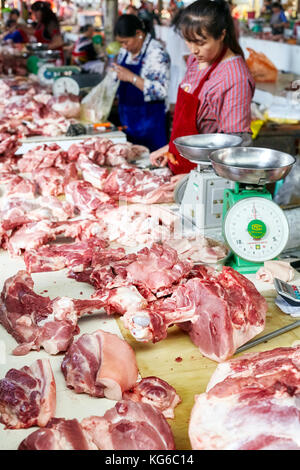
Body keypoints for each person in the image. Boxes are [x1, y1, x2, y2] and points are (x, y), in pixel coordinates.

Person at [150, 0, 255, 175]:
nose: (193, 50)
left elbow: (237, 148)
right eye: (188, 41)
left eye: (200, 42)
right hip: (181, 163)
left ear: (222, 35)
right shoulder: (196, 60)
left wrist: (195, 179)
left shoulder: (234, 78)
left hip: (205, 177)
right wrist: (172, 148)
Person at [113, 14, 170, 152]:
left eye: (125, 42)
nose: (123, 46)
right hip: (128, 121)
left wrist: (131, 77)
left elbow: (161, 91)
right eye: (120, 43)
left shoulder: (156, 52)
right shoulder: (125, 52)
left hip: (151, 124)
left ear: (139, 34)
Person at [165, 8, 190, 113]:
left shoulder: (171, 30)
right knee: (180, 106)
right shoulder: (183, 32)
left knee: (172, 102)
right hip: (182, 72)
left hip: (172, 69)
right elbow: (187, 57)